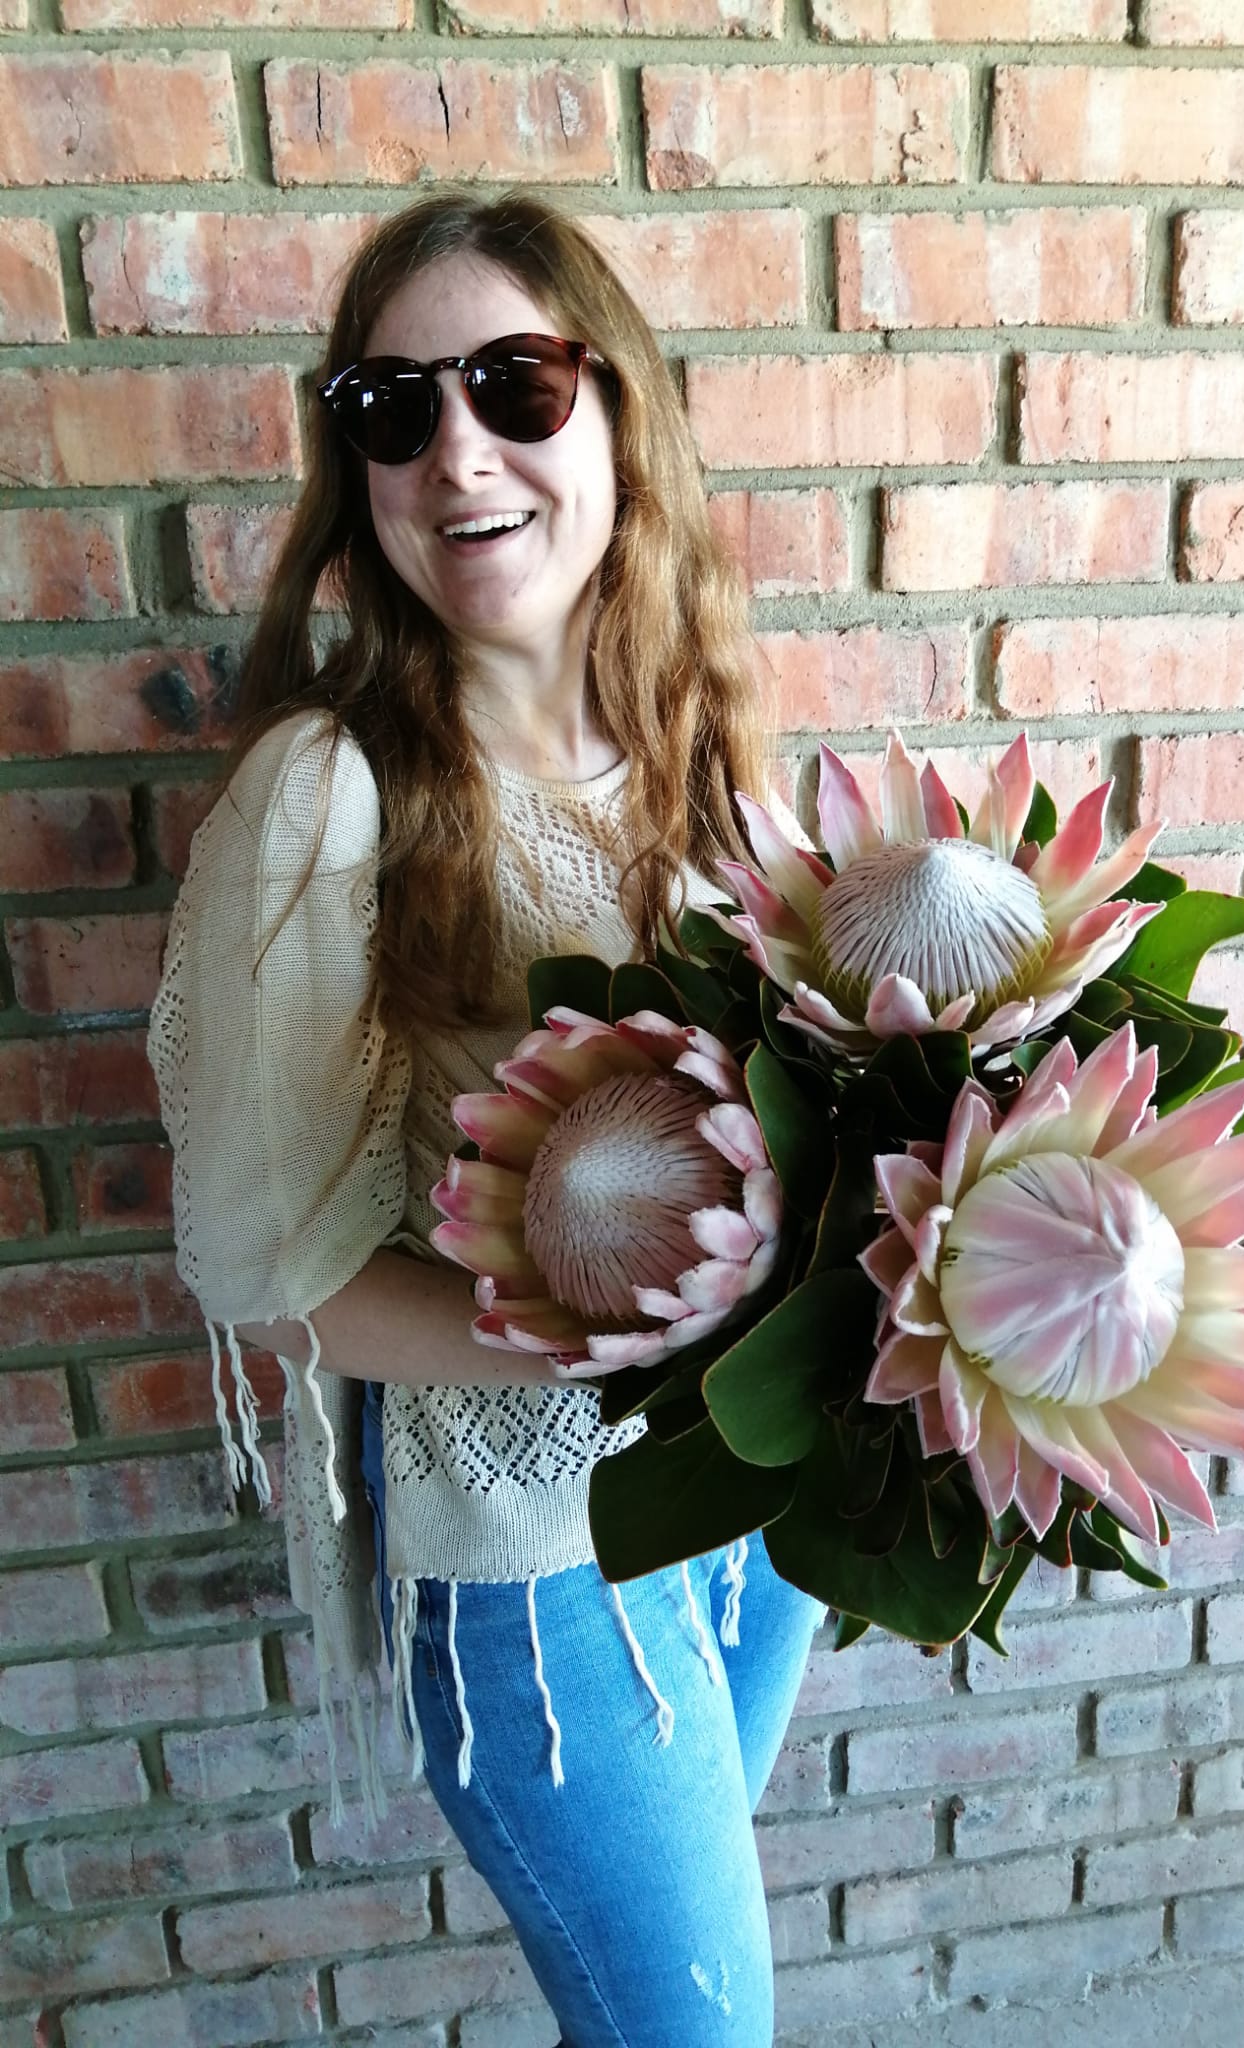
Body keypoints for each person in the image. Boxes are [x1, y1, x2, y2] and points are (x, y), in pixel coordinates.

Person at [147, 188, 828, 2048]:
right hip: (542, 1585)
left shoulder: (701, 755)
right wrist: (620, 1349)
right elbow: (267, 1276)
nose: (460, 449)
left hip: (764, 1522)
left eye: (516, 384)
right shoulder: (329, 798)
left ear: (617, 415)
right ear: (354, 463)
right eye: (394, 407)